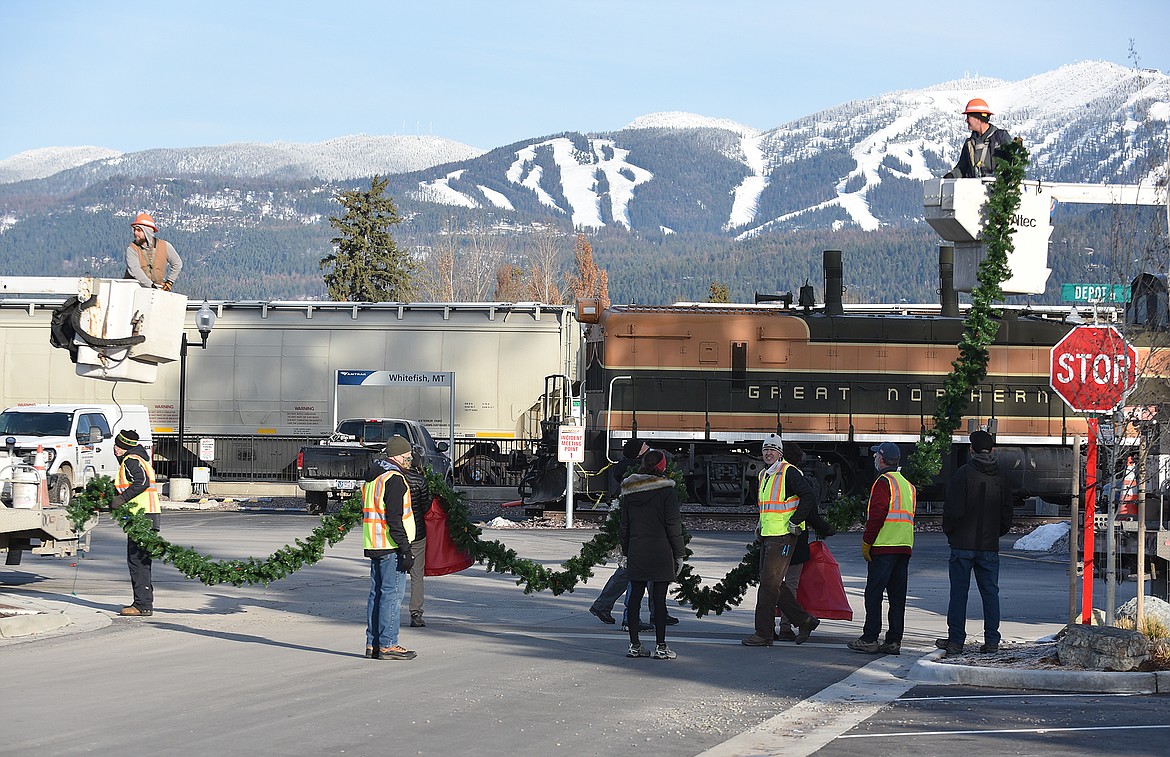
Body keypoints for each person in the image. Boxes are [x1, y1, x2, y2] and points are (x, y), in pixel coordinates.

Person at [936, 430, 1014, 655]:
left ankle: (956, 640)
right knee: (990, 593)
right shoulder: (1001, 476)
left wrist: (952, 534)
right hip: (989, 545)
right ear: (993, 451)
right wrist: (996, 533)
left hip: (962, 545)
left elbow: (952, 510)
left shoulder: (964, 474)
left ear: (971, 450)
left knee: (959, 593)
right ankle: (991, 641)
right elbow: (1007, 512)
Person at [589, 438, 677, 632]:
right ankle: (629, 617)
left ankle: (655, 612)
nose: (650, 450)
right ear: (639, 454)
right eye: (646, 449)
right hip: (641, 534)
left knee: (641, 573)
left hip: (639, 535)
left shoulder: (632, 474)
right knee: (632, 573)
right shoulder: (636, 475)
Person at [742, 433, 820, 647]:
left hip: (784, 536)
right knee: (772, 583)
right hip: (770, 535)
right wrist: (760, 525)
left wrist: (796, 522)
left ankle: (763, 633)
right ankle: (804, 620)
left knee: (768, 585)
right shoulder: (764, 475)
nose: (768, 453)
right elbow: (766, 507)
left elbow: (808, 496)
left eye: (772, 449)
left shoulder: (789, 472)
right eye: (765, 449)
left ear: (780, 453)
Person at [848, 441, 916, 655]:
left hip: (884, 546)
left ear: (883, 459)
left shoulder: (883, 482)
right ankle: (894, 641)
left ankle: (870, 638)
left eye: (876, 455)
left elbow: (877, 516)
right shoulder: (908, 485)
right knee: (897, 597)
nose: (874, 458)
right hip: (904, 547)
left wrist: (867, 542)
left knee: (874, 594)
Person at [620, 449, 686, 660]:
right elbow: (673, 525)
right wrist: (679, 553)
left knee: (634, 599)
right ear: (662, 467)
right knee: (659, 600)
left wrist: (626, 551)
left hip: (637, 550)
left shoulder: (630, 491)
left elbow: (624, 526)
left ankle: (634, 645)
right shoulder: (667, 491)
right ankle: (661, 647)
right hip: (661, 551)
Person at [774, 441, 836, 641]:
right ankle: (787, 626)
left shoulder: (773, 479)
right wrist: (825, 529)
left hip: (774, 539)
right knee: (790, 583)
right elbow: (810, 513)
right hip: (795, 539)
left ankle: (770, 627)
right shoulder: (800, 480)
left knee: (773, 583)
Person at [362, 435, 417, 660]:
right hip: (391, 545)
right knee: (391, 596)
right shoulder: (394, 479)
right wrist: (405, 548)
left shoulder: (374, 477)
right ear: (398, 456)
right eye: (408, 457)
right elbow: (394, 518)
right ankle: (388, 644)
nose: (410, 460)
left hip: (374, 542)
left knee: (377, 595)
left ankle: (373, 643)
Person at [110, 429, 160, 617]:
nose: (115, 449)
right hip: (147, 515)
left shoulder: (131, 461)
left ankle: (142, 605)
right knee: (142, 561)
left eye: (118, 446)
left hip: (142, 517)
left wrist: (121, 499)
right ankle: (143, 602)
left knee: (137, 562)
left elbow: (142, 482)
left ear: (125, 448)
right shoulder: (139, 459)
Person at [943, 98, 1013, 179]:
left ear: (978, 119)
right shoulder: (969, 144)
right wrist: (951, 176)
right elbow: (962, 168)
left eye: (968, 117)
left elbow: (1014, 162)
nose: (966, 120)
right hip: (974, 189)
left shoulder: (1001, 137)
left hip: (998, 189)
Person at [403, 446, 433, 628]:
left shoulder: (392, 478)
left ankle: (388, 611)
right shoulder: (421, 480)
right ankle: (416, 613)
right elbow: (425, 506)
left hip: (395, 532)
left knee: (394, 573)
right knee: (417, 575)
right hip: (417, 532)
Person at [125, 211, 182, 290]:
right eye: (134, 229)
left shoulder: (165, 246)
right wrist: (151, 286)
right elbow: (135, 270)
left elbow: (177, 263)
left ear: (147, 231)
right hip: (134, 289)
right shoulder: (132, 249)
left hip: (157, 288)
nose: (135, 233)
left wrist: (169, 282)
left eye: (139, 230)